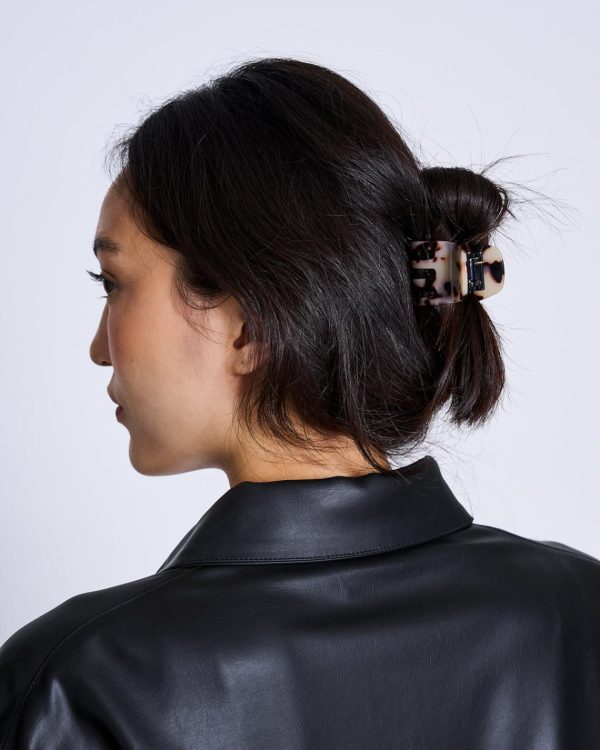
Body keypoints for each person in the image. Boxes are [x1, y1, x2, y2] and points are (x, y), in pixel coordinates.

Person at [0, 56, 598, 749]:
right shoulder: (579, 612)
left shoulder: (77, 681)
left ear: (252, 325)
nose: (98, 349)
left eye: (113, 284)